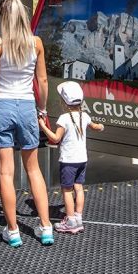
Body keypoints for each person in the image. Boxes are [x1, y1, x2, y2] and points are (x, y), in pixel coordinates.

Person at [0, 0, 54, 247]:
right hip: (27, 106)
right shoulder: (36, 43)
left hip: (3, 104)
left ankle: (13, 230)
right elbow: (42, 81)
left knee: (5, 171)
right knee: (33, 169)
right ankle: (46, 227)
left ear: (3, 16)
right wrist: (42, 109)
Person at [38, 81, 104, 234]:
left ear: (64, 102)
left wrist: (42, 126)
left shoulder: (64, 119)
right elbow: (95, 126)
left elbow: (55, 138)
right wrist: (100, 127)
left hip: (68, 160)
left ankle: (70, 220)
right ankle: (78, 217)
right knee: (79, 188)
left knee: (67, 190)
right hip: (82, 159)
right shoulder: (85, 115)